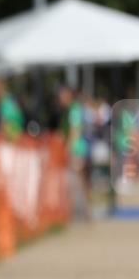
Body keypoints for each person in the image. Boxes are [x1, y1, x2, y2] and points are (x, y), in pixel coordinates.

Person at [58, 85, 90, 220]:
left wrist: (67, 149)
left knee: (78, 180)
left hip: (76, 149)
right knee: (79, 180)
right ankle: (83, 212)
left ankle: (82, 212)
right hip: (78, 148)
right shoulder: (74, 109)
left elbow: (74, 131)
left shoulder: (74, 110)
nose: (60, 99)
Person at [0, 77, 24, 141]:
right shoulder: (8, 101)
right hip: (13, 140)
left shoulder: (6, 103)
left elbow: (5, 124)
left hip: (11, 141)